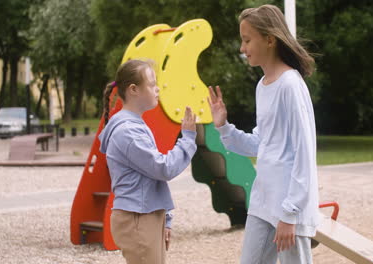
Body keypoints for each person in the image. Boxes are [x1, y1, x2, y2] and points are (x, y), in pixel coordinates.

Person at [208, 4, 319, 264]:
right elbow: (262, 144)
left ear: (269, 39)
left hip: (289, 208)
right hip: (263, 201)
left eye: (247, 40)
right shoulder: (263, 85)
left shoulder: (291, 85)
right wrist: (224, 127)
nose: (242, 48)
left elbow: (304, 153)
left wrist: (290, 213)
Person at [99, 59, 197, 264]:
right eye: (152, 84)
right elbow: (163, 168)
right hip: (138, 218)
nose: (157, 89)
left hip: (145, 215)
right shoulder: (128, 132)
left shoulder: (134, 125)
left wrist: (165, 219)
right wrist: (187, 138)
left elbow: (151, 178)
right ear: (134, 89)